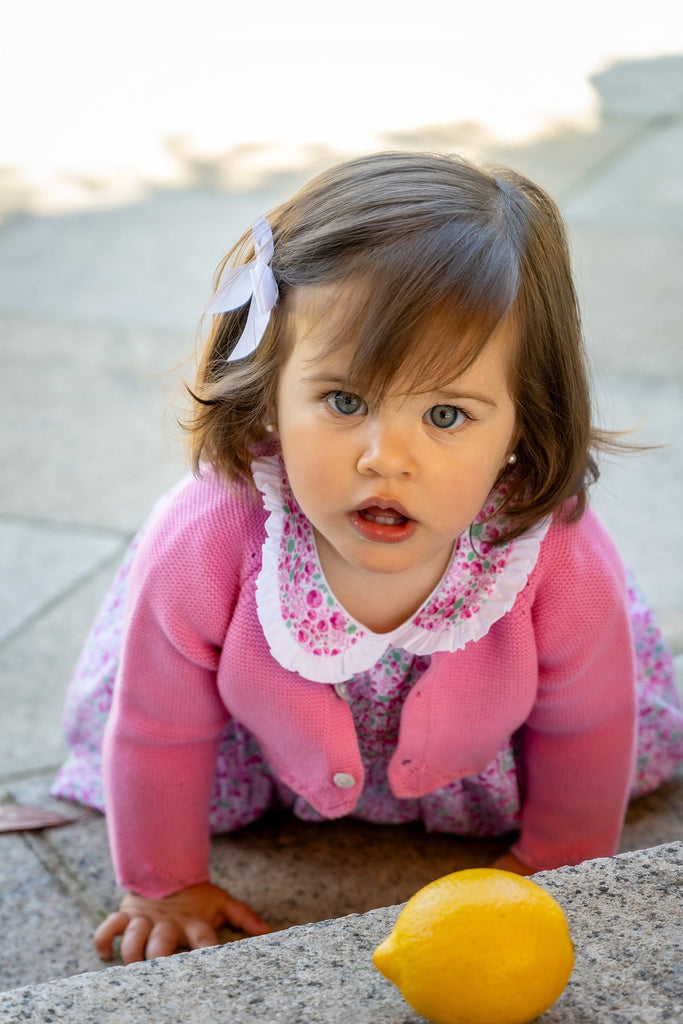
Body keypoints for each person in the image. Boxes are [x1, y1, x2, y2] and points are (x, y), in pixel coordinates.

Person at [52, 152, 683, 965]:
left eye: (448, 414)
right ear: (269, 387)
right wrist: (163, 882)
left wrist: (553, 868)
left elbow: (588, 723)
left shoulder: (549, 554)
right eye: (344, 401)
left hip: (482, 757)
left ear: (525, 423)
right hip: (265, 748)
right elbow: (158, 723)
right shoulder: (211, 534)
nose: (387, 457)